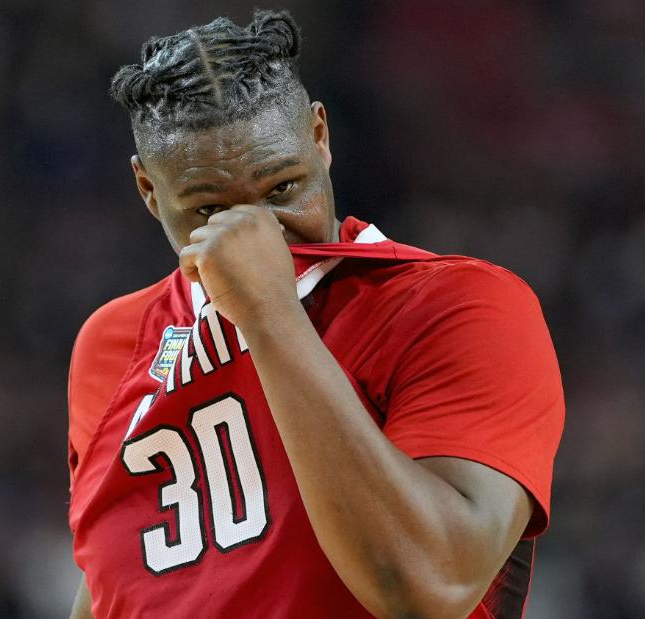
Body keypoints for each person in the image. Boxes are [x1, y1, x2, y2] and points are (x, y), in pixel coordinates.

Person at [67, 9, 563, 619]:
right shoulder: (112, 342)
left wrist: (268, 313)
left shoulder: (456, 305)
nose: (254, 233)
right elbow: (113, 588)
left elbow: (428, 587)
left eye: (282, 190)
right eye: (208, 209)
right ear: (149, 191)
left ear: (320, 137)